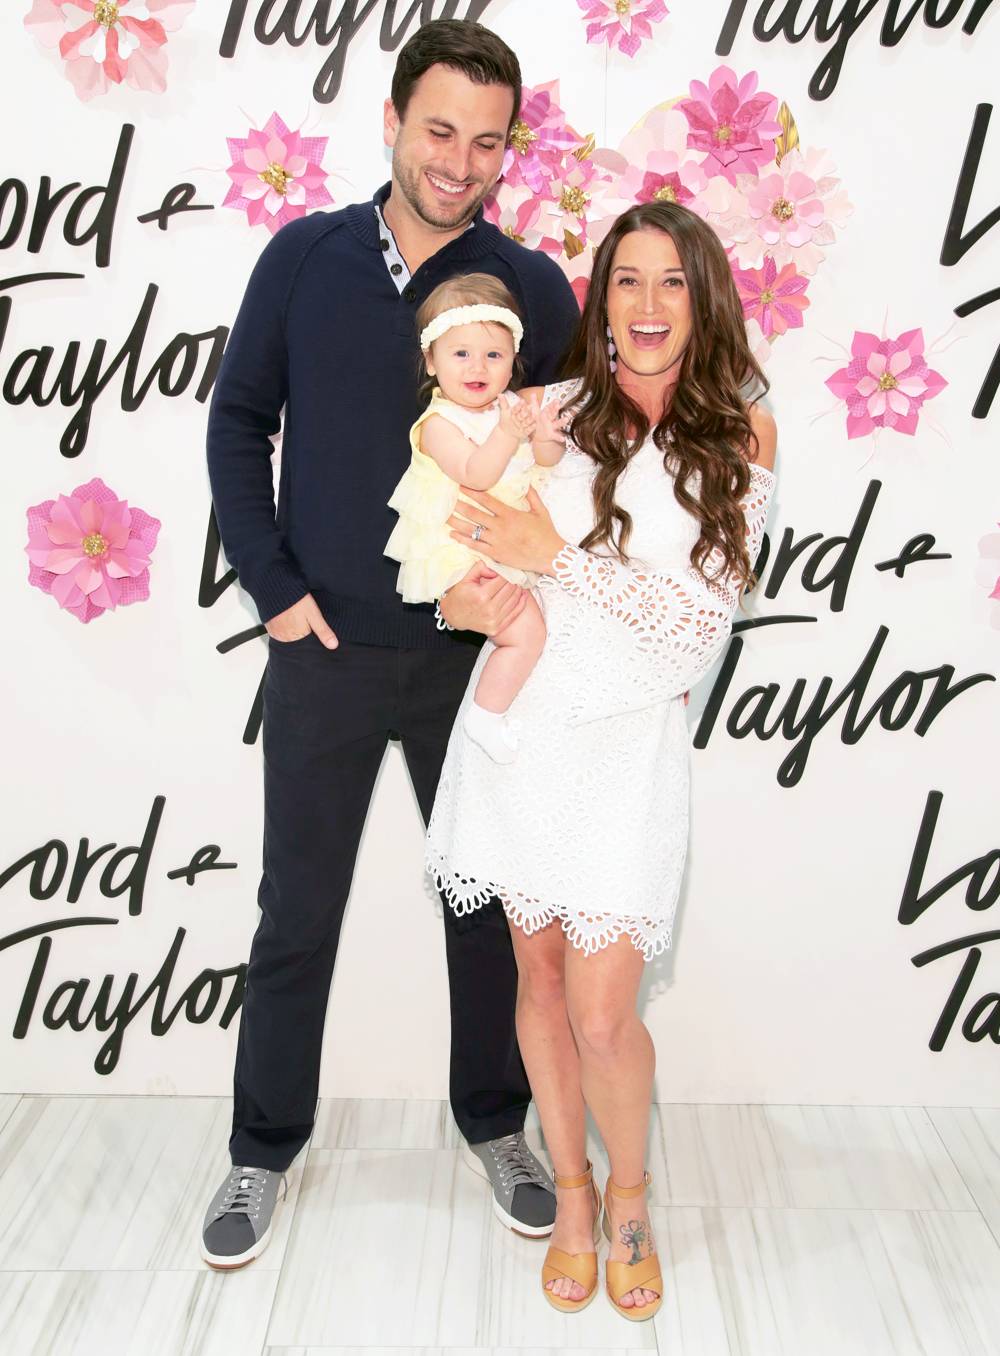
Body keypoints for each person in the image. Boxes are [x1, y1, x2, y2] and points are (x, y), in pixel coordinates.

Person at [202, 18, 579, 1269]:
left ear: (507, 152)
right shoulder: (304, 257)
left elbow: (582, 462)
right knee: (295, 909)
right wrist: (273, 588)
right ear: (391, 122)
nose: (458, 162)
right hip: (322, 650)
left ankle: (496, 1126)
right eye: (437, 131)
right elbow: (239, 417)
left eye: (485, 142)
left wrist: (538, 562)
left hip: (482, 657)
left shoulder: (529, 284)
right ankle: (260, 1153)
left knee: (485, 911)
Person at [428, 200, 777, 1318]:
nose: (646, 303)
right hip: (524, 735)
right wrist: (470, 593)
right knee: (533, 981)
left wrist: (556, 559)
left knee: (601, 1014)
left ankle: (631, 1200)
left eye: (671, 281)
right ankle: (570, 1198)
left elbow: (692, 632)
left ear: (703, 296)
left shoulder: (740, 435)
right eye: (625, 279)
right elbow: (465, 538)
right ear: (599, 296)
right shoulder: (554, 411)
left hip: (626, 749)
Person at [385, 273, 568, 762]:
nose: (477, 367)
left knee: (546, 632)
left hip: (509, 540)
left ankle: (498, 710)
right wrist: (510, 433)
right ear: (431, 360)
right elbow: (477, 474)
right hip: (464, 550)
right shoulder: (438, 424)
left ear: (513, 360)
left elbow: (543, 464)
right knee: (526, 633)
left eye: (494, 355)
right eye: (460, 353)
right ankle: (485, 716)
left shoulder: (508, 407)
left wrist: (547, 434)